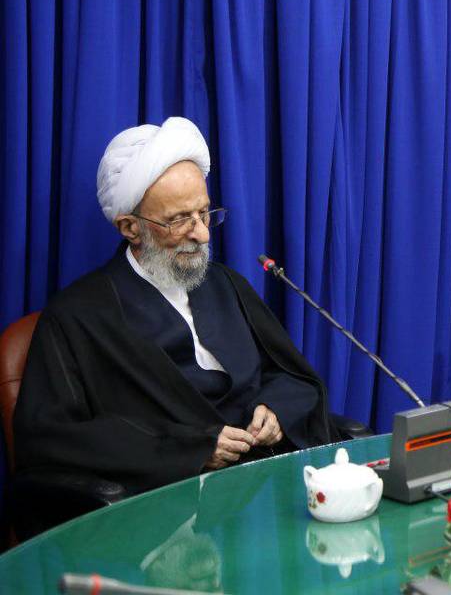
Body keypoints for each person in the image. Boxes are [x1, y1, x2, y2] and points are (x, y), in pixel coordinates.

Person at [14, 117, 339, 494]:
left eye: (204, 213)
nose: (201, 234)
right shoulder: (79, 316)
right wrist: (188, 449)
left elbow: (288, 374)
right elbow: (51, 438)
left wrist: (276, 409)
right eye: (179, 220)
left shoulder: (225, 284)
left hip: (265, 480)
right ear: (130, 228)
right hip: (171, 496)